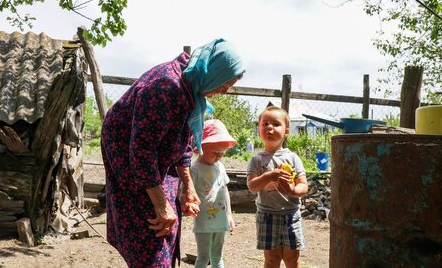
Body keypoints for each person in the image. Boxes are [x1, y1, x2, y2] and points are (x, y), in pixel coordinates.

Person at [100, 38, 245, 267]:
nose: (223, 92)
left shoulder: (192, 89)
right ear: (214, 72)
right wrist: (160, 203)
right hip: (131, 165)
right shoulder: (166, 87)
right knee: (153, 233)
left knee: (168, 225)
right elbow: (142, 152)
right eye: (223, 85)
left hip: (156, 165)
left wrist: (188, 188)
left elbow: (182, 143)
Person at [246, 106, 308, 268]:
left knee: (292, 259)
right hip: (267, 216)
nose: (269, 127)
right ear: (259, 129)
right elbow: (252, 186)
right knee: (272, 259)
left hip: (291, 215)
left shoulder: (293, 158)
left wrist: (293, 191)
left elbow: (303, 186)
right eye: (265, 124)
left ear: (286, 131)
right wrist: (268, 176)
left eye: (275, 124)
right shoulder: (256, 160)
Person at [189, 119, 236, 268]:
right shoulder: (194, 168)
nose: (220, 156)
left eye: (222, 153)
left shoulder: (220, 166)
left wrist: (229, 215)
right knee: (203, 257)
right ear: (201, 146)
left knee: (218, 256)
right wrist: (188, 202)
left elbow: (224, 189)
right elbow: (186, 191)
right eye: (216, 152)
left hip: (221, 219)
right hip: (203, 221)